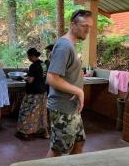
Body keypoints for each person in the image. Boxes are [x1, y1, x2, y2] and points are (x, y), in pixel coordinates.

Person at [46, 9, 93, 157]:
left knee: (79, 142)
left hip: (72, 108)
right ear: (73, 24)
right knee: (57, 150)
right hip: (62, 108)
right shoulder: (65, 46)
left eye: (90, 27)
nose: (88, 30)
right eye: (84, 25)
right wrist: (78, 91)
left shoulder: (71, 45)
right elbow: (52, 78)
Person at [16, 48, 49, 140]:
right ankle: (45, 133)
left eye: (28, 56)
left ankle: (26, 133)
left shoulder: (33, 66)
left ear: (32, 56)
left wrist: (23, 77)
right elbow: (42, 76)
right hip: (43, 92)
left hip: (34, 93)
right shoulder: (43, 64)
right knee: (42, 112)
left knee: (27, 111)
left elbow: (30, 80)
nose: (28, 58)